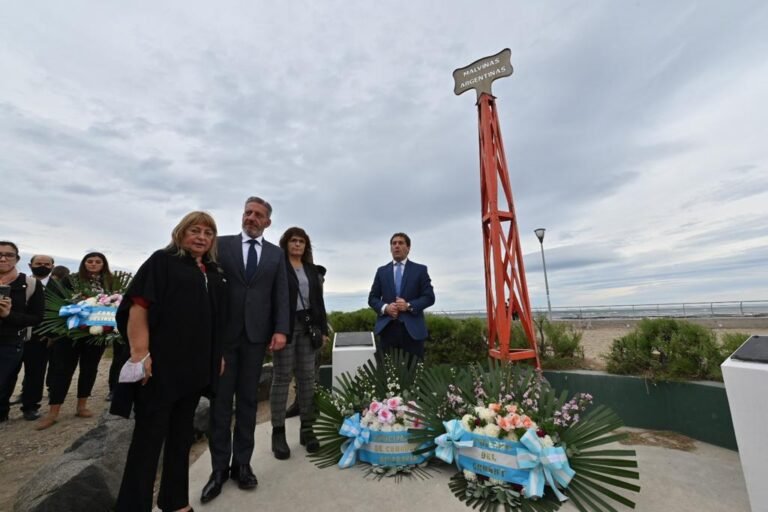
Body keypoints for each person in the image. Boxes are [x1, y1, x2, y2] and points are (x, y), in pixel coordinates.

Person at [114, 211, 227, 512]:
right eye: (195, 230)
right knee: (148, 441)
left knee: (180, 439)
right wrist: (140, 353)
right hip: (161, 368)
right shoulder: (161, 262)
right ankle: (132, 506)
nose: (202, 237)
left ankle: (175, 502)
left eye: (208, 233)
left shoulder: (212, 271)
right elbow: (138, 306)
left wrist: (218, 356)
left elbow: (216, 320)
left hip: (194, 370)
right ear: (181, 233)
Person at [202, 196, 290, 504]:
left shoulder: (276, 255)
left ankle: (242, 464)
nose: (251, 217)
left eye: (258, 215)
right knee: (221, 404)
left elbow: (281, 293)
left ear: (267, 222)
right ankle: (218, 470)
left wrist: (281, 329)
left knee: (249, 403)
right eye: (248, 212)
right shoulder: (220, 245)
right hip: (223, 340)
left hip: (256, 339)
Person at [37, 252, 114, 429]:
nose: (93, 264)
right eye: (90, 261)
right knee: (62, 370)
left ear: (103, 264)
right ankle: (53, 412)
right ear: (83, 263)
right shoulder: (70, 280)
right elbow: (55, 301)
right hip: (70, 332)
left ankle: (82, 406)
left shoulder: (109, 283)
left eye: (97, 262)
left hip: (96, 333)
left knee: (89, 369)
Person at [269, 227, 328, 459]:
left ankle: (307, 429)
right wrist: (273, 331)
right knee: (282, 378)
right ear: (286, 244)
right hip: (285, 327)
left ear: (306, 246)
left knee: (307, 379)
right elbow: (271, 301)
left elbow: (318, 301)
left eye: (301, 242)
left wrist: (322, 329)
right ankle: (278, 433)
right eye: (293, 241)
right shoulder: (278, 268)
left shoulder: (312, 270)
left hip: (308, 327)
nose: (297, 245)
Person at [368, 232, 435, 360]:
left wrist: (409, 305)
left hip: (413, 332)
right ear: (390, 248)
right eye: (394, 243)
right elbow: (372, 298)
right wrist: (385, 308)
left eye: (401, 243)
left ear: (408, 248)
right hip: (387, 330)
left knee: (414, 375)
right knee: (387, 374)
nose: (396, 246)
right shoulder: (381, 271)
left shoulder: (420, 270)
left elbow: (429, 297)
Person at [0, 241, 45, 422]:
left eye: (9, 255)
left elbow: (36, 317)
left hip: (10, 342)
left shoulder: (30, 284)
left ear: (17, 259)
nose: (3, 258)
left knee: (5, 380)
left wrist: (8, 315)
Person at [13, 255, 55, 420]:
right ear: (30, 265)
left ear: (52, 266)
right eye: (39, 264)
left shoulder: (58, 288)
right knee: (9, 371)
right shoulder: (21, 282)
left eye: (46, 264)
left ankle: (30, 406)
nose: (42, 266)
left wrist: (52, 334)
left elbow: (62, 312)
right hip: (15, 334)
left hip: (41, 337)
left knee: (35, 374)